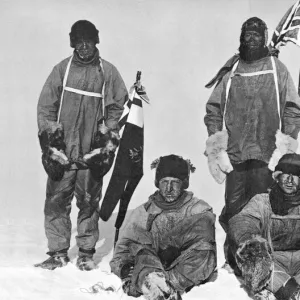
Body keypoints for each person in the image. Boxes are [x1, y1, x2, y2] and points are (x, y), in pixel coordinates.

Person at [204, 17, 300, 267]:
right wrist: (217, 144)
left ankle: (261, 259)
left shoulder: (276, 68)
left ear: (265, 37)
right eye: (247, 34)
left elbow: (292, 108)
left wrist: (286, 146)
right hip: (236, 154)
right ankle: (234, 258)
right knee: (234, 208)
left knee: (262, 208)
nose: (252, 38)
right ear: (241, 37)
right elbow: (214, 108)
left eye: (257, 34)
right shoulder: (233, 70)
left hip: (266, 155)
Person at [35, 20, 128, 271]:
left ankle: (86, 252)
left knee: (88, 201)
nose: (84, 47)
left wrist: (105, 137)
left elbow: (118, 106)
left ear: (96, 42)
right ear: (73, 43)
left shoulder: (107, 72)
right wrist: (52, 143)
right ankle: (57, 252)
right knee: (56, 201)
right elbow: (46, 107)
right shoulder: (62, 70)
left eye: (88, 41)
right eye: (79, 41)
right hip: (63, 152)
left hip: (90, 152)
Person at [110, 154, 217, 300]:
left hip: (184, 269)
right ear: (157, 183)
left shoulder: (198, 209)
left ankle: (163, 286)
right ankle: (156, 286)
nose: (169, 188)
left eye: (175, 182)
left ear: (184, 183)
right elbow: (123, 249)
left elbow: (205, 251)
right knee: (141, 250)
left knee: (203, 241)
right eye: (164, 181)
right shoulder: (144, 212)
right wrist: (123, 268)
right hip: (152, 266)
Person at [228, 153, 300, 300]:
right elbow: (243, 220)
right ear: (277, 177)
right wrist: (248, 239)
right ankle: (280, 290)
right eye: (286, 174)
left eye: (296, 175)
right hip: (271, 264)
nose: (290, 180)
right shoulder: (262, 201)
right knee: (251, 252)